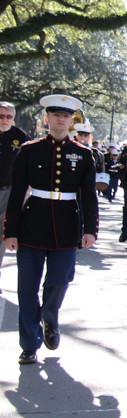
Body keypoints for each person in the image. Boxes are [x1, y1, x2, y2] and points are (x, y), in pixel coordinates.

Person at [3, 94, 98, 364]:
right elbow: (18, 191)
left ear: (71, 121)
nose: (61, 119)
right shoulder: (30, 150)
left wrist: (90, 229)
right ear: (47, 118)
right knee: (26, 287)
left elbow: (89, 196)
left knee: (59, 281)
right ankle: (29, 344)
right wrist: (10, 231)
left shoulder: (83, 154)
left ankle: (49, 317)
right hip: (32, 224)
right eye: (56, 115)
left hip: (68, 225)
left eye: (66, 116)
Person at [0, 100, 28, 283]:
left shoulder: (21, 137)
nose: (4, 120)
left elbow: (28, 168)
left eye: (8, 117)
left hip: (8, 193)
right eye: (1, 116)